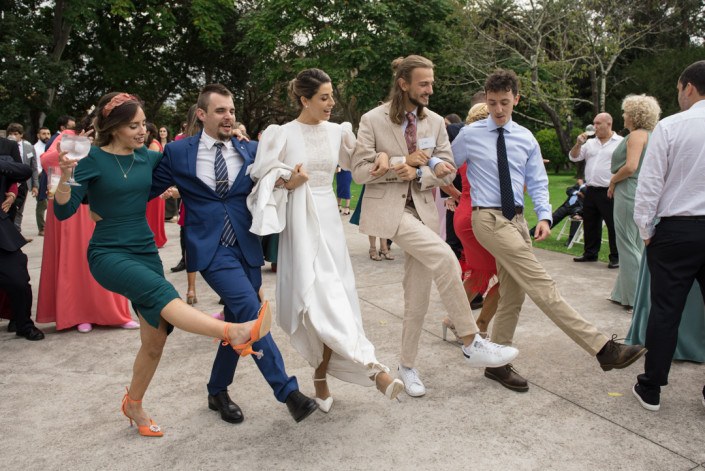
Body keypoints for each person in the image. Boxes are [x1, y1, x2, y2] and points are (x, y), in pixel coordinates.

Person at [53, 92, 271, 436]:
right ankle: (234, 332)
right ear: (113, 128)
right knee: (165, 295)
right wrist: (65, 178)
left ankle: (134, 404)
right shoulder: (91, 159)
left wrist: (236, 141)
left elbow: (190, 166)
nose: (143, 130)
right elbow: (64, 210)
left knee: (155, 340)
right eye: (134, 125)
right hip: (109, 252)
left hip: (145, 250)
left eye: (143, 123)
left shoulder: (150, 158)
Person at [451, 68, 646, 393]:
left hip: (515, 220)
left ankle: (497, 364)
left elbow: (538, 183)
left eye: (505, 102)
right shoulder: (470, 135)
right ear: (486, 99)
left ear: (516, 99)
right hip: (486, 218)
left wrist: (544, 216)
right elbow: (444, 161)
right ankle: (603, 349)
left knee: (513, 293)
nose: (498, 109)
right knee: (542, 284)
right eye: (493, 102)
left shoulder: (524, 137)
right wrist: (430, 169)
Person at [352, 55, 519, 398]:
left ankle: (407, 367)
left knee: (417, 298)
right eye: (424, 83)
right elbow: (357, 172)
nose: (431, 89)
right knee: (445, 257)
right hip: (390, 213)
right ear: (404, 83)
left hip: (426, 212)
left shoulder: (435, 122)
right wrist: (399, 162)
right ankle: (472, 341)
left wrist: (426, 171)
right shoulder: (372, 120)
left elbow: (448, 166)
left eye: (431, 83)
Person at [150, 84, 318, 424]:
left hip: (247, 245)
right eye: (220, 111)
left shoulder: (251, 149)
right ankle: (288, 392)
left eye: (231, 111)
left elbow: (272, 180)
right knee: (250, 311)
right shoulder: (178, 152)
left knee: (236, 321)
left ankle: (217, 389)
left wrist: (290, 181)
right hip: (210, 248)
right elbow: (146, 187)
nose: (229, 117)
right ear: (201, 115)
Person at [249, 68, 405, 411]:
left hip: (330, 223)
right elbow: (263, 182)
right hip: (300, 222)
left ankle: (326, 374)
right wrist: (290, 181)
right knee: (317, 300)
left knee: (338, 298)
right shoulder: (282, 134)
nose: (332, 103)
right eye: (324, 97)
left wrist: (383, 160)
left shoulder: (338, 132)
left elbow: (361, 167)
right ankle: (374, 370)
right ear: (304, 100)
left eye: (332, 96)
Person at [631, 60, 705, 412]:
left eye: (679, 89)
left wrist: (645, 229)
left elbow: (650, 182)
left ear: (688, 87)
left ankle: (652, 388)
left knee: (665, 310)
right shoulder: (670, 124)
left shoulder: (673, 126)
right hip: (685, 226)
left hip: (678, 228)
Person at [37, 113, 136, 333]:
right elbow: (45, 161)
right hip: (71, 202)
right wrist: (74, 146)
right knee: (76, 260)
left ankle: (114, 313)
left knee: (109, 256)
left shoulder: (113, 140)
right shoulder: (69, 135)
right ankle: (79, 314)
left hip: (101, 203)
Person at [443, 103, 499, 341]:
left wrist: (457, 196)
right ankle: (479, 325)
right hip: (477, 215)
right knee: (507, 276)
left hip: (466, 212)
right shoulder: (486, 149)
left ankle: (455, 321)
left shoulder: (466, 148)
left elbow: (443, 176)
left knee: (480, 274)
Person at [607, 95, 661, 309]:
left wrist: (612, 181)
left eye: (626, 112)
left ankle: (636, 299)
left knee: (627, 244)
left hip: (629, 190)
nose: (623, 115)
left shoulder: (637, 135)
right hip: (642, 190)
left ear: (634, 115)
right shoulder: (651, 134)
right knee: (635, 243)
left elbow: (630, 166)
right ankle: (622, 292)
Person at [0, 137, 44, 341]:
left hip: (2, 231)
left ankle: (23, 323)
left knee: (18, 279)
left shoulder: (5, 147)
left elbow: (24, 171)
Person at [569, 112, 622, 268]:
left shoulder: (620, 142)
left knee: (613, 225)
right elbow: (574, 157)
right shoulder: (590, 143)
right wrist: (578, 144)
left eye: (598, 123)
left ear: (609, 124)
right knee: (591, 223)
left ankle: (615, 257)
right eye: (594, 123)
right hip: (591, 189)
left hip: (609, 190)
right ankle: (590, 253)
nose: (595, 127)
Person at [6, 123, 38, 236]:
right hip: (9, 182)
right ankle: (9, 233)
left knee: (20, 209)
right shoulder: (5, 146)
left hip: (24, 182)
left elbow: (34, 167)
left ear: (21, 135)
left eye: (15, 134)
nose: (13, 136)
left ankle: (16, 232)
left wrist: (35, 185)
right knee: (9, 208)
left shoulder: (29, 147)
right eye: (10, 134)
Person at [144, 122, 167, 248]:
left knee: (152, 215)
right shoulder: (155, 143)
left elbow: (150, 167)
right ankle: (157, 238)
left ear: (148, 132)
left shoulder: (153, 145)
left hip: (153, 183)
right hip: (155, 183)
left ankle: (155, 239)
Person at [34, 126, 51, 236]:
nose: (47, 136)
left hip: (51, 176)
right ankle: (42, 228)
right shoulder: (35, 148)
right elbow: (34, 165)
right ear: (38, 135)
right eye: (44, 133)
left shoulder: (51, 146)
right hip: (40, 177)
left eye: (48, 133)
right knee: (42, 204)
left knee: (50, 204)